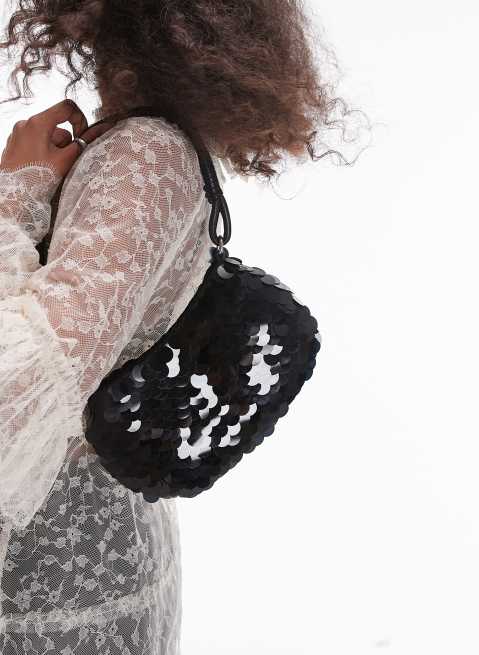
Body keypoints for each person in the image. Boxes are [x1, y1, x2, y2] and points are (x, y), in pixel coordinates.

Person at [0, 1, 360, 653]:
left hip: (59, 585)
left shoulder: (142, 155)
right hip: (75, 552)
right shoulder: (138, 144)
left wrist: (14, 196)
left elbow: (26, 377)